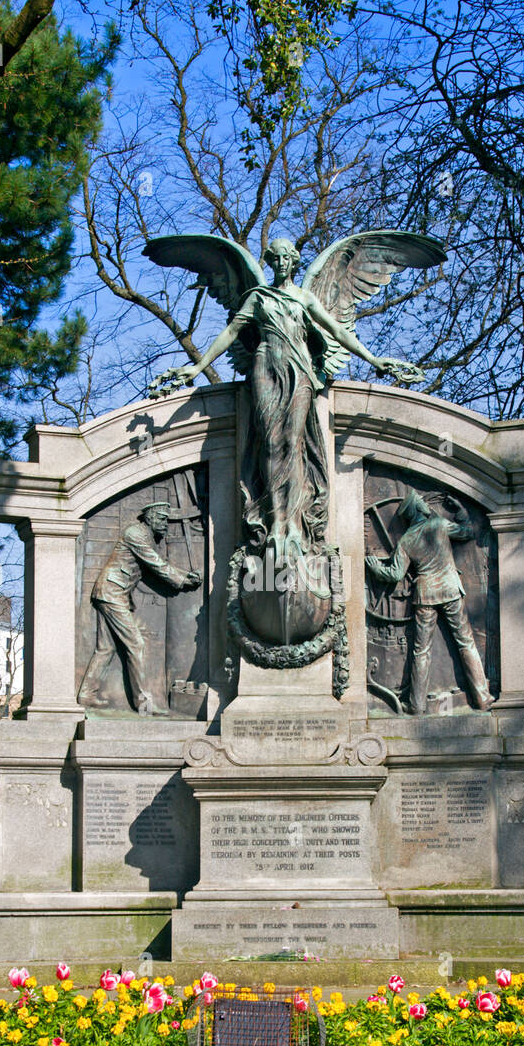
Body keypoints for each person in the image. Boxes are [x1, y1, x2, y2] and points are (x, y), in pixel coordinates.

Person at [150, 238, 420, 560]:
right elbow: (232, 332)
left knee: (293, 443)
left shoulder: (305, 297)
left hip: (299, 369)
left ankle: (294, 522)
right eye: (274, 258)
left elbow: (338, 332)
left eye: (285, 258)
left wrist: (375, 361)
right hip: (265, 366)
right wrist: (198, 367)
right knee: (270, 443)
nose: (279, 263)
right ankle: (276, 520)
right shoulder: (258, 298)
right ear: (270, 261)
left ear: (293, 261)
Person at [365, 489, 493, 715]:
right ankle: (482, 698)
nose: (426, 506)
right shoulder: (439, 525)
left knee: (421, 651)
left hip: (425, 595)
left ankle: (416, 705)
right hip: (450, 589)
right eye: (422, 504)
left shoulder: (406, 540)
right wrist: (461, 511)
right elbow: (468, 532)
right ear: (418, 509)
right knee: (466, 642)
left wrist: (376, 568)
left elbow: (394, 574)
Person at [78, 502, 201, 715]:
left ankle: (87, 693)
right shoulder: (135, 533)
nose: (165, 524)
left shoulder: (142, 535)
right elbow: (155, 564)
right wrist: (182, 580)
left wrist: (184, 575)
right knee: (136, 644)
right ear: (149, 518)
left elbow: (158, 563)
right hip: (112, 593)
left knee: (106, 648)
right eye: (162, 519)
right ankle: (144, 705)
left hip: (111, 593)